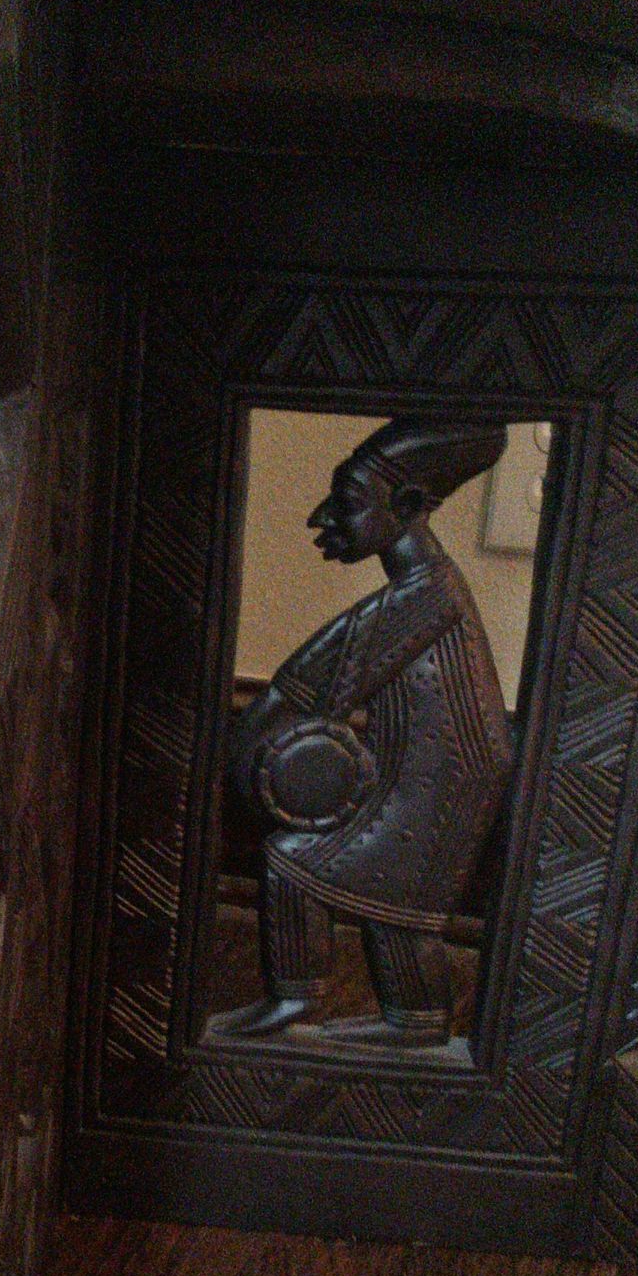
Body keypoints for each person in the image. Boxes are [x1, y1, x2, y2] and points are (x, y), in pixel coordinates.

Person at [215, 419, 514, 1043]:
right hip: (429, 782)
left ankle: (299, 1001)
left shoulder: (427, 595)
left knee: (294, 863)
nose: (322, 518)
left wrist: (251, 736)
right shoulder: (428, 588)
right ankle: (415, 1019)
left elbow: (312, 677)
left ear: (406, 506)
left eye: (347, 502)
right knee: (396, 909)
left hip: (438, 789)